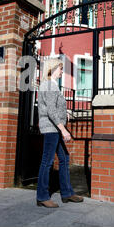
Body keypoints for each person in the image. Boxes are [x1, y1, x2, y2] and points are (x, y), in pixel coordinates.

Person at [36, 58, 83, 208]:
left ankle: (67, 193)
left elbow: (55, 106)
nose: (62, 71)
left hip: (54, 126)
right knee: (47, 161)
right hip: (52, 128)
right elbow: (50, 110)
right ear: (53, 68)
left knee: (64, 158)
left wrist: (65, 112)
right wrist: (63, 130)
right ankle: (42, 196)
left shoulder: (52, 85)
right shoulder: (49, 85)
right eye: (61, 68)